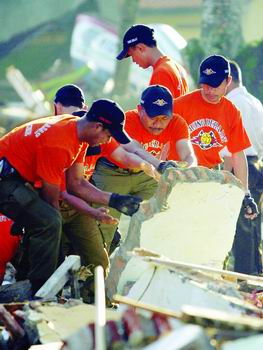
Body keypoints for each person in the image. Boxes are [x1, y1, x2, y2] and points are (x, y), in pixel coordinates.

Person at [0, 98, 142, 294]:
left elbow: (77, 184)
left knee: (49, 222)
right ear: (98, 127)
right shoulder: (59, 143)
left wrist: (115, 199)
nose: (108, 141)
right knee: (49, 221)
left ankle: (51, 286)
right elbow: (53, 199)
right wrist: (57, 248)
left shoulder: (77, 134)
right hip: (6, 179)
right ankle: (41, 291)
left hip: (20, 179)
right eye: (108, 135)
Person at [173, 54, 259, 270]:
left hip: (211, 175)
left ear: (228, 81)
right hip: (181, 176)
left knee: (212, 235)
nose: (208, 90)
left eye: (214, 85)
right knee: (181, 233)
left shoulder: (231, 111)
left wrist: (245, 194)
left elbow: (237, 154)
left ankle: (209, 277)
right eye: (204, 85)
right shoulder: (181, 105)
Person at [92, 84, 197, 250]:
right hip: (114, 172)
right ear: (140, 109)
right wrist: (158, 165)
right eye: (153, 117)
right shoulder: (127, 121)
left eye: (164, 118)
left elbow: (188, 154)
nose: (158, 123)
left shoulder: (177, 123)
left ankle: (145, 262)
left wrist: (189, 168)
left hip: (147, 175)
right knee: (104, 224)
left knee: (164, 213)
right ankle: (94, 270)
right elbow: (135, 152)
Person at [222, 60, 263, 274]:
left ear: (227, 81)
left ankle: (245, 275)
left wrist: (223, 173)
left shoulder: (232, 104)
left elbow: (230, 148)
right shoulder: (254, 102)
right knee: (253, 222)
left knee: (242, 225)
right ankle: (255, 271)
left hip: (239, 164)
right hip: (256, 163)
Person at [116, 24, 188, 98]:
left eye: (132, 55)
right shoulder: (176, 66)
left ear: (140, 48)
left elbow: (159, 109)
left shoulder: (161, 73)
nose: (133, 60)